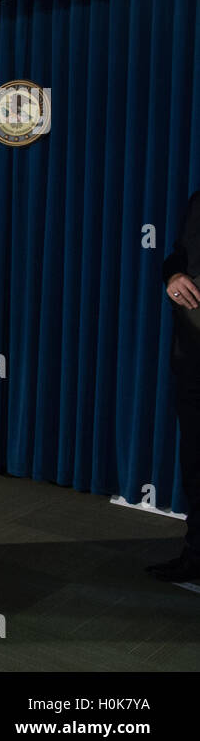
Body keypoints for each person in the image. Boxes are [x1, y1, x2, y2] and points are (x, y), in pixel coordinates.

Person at [154, 190, 200, 582]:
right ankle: (197, 553)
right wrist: (173, 275)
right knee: (196, 464)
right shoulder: (198, 199)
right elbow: (178, 252)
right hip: (192, 356)